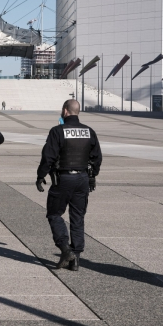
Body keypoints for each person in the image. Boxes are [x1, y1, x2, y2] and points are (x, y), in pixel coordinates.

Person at [36, 99, 102, 271]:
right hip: (82, 179)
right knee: (77, 218)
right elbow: (97, 157)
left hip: (63, 178)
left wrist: (40, 175)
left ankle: (65, 249)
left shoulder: (57, 131)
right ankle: (76, 258)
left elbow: (48, 156)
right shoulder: (89, 131)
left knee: (55, 214)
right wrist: (92, 175)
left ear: (65, 111)